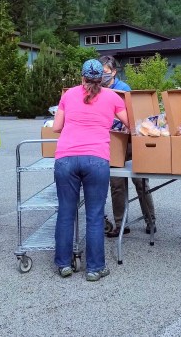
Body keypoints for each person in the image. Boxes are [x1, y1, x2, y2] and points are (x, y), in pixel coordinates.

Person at [52, 59, 129, 281]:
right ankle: (95, 268)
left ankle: (63, 264)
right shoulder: (113, 97)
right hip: (96, 159)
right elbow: (130, 124)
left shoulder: (68, 95)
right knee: (95, 215)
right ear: (103, 79)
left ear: (82, 77)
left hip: (66, 158)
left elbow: (56, 127)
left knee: (66, 212)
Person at [98, 55, 157, 238]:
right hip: (111, 144)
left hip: (130, 142)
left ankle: (151, 221)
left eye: (105, 72)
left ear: (114, 72)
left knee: (140, 182)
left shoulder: (123, 90)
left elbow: (132, 117)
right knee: (116, 184)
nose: (102, 76)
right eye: (99, 72)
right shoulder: (97, 90)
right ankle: (120, 224)